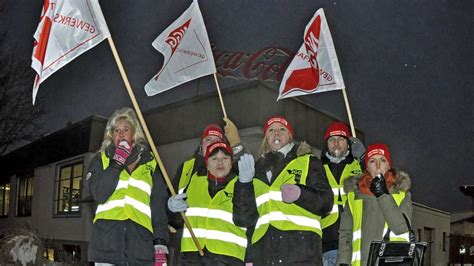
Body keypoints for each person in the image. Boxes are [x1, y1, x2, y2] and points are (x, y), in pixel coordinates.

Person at [233, 115, 333, 265]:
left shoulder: (307, 162)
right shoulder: (255, 170)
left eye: (282, 129)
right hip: (264, 255)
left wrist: (300, 194)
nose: (276, 133)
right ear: (266, 138)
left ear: (290, 136)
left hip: (301, 253)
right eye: (271, 130)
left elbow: (326, 203)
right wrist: (244, 184)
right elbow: (244, 219)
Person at [86, 107, 169, 265]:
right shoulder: (100, 160)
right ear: (111, 135)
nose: (121, 133)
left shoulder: (150, 163)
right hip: (107, 246)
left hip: (140, 248)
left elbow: (158, 206)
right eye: (116, 130)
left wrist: (160, 243)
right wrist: (116, 162)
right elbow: (99, 194)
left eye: (126, 129)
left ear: (134, 135)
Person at [167, 141, 255, 265]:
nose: (220, 162)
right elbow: (177, 222)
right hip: (191, 258)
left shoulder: (241, 185)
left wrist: (245, 185)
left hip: (227, 259)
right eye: (214, 158)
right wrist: (171, 210)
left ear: (231, 163)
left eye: (225, 158)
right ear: (207, 165)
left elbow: (245, 219)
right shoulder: (193, 182)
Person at [337, 143, 413, 266]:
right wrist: (343, 262)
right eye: (372, 161)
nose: (378, 165)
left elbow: (401, 228)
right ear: (367, 166)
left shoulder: (402, 194)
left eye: (382, 160)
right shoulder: (353, 196)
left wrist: (382, 194)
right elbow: (345, 234)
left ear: (389, 165)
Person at [320, 122, 362, 265]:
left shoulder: (359, 167)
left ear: (349, 144)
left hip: (354, 241)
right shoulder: (317, 168)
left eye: (341, 139)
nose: (336, 143)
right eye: (332, 140)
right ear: (327, 145)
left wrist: (362, 159)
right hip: (326, 241)